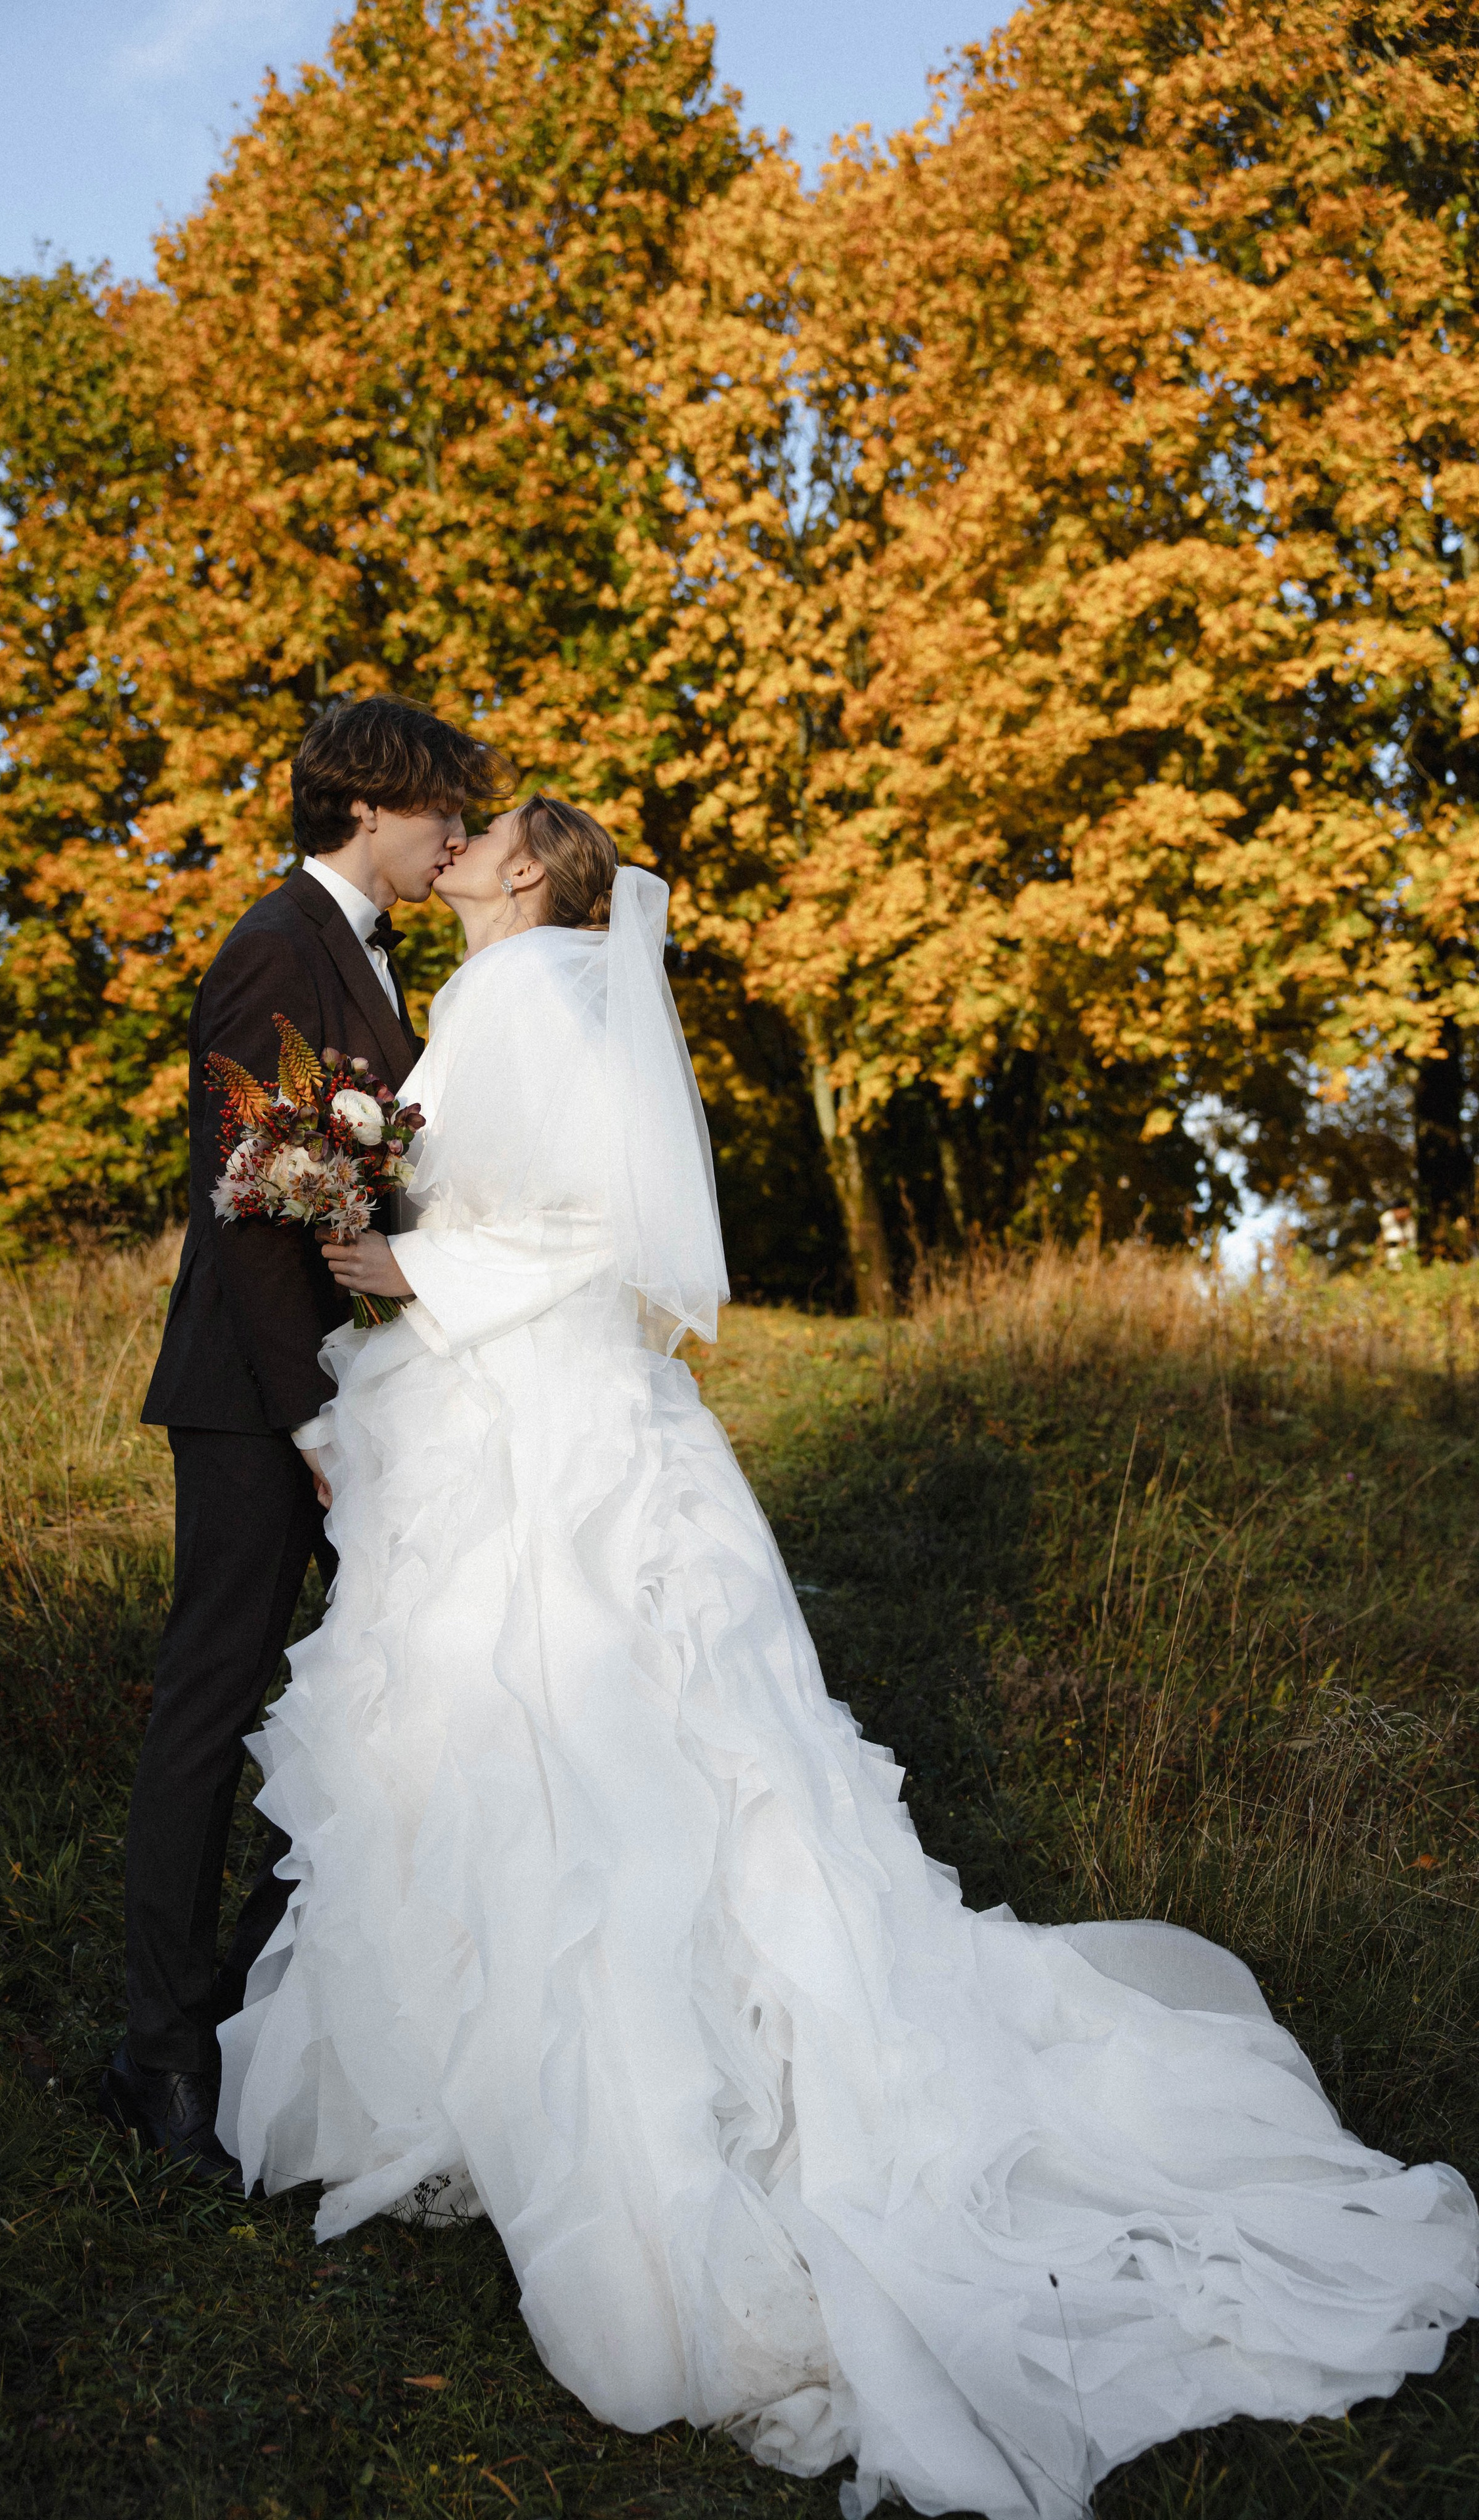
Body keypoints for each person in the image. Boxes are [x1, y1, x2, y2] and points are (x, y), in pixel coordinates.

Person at [217, 796, 1477, 2519]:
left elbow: (576, 1234)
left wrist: (395, 1256)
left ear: (526, 874)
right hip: (587, 1409)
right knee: (646, 1741)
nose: (455, 851)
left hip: (534, 1423)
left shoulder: (518, 997)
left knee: (536, 1723)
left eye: (484, 836)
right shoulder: (563, 996)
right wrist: (378, 1206)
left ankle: (564, 2091)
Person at [102, 694, 512, 2185]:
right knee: (209, 1709)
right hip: (257, 1398)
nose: (455, 837)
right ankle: (157, 2050)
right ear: (367, 806)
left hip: (352, 1393)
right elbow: (252, 1207)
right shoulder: (276, 942)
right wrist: (314, 1418)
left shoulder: (362, 949)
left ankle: (255, 2001)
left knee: (358, 1696)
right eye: (439, 813)